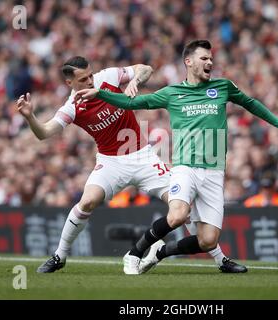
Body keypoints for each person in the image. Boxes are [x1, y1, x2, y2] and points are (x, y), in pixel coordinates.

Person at [74, 40, 278, 275]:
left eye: (211, 59)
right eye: (204, 58)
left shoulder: (223, 87)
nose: (210, 62)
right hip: (185, 168)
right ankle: (135, 252)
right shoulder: (172, 93)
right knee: (177, 215)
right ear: (189, 61)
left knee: (207, 240)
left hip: (215, 171)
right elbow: (132, 102)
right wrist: (100, 93)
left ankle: (160, 252)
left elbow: (250, 103)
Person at [17, 56, 238, 274]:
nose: (90, 81)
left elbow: (146, 68)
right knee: (87, 202)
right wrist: (30, 117)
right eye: (83, 79)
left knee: (181, 205)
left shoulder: (108, 78)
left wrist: (135, 81)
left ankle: (220, 259)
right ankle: (59, 256)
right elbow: (44, 133)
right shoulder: (72, 108)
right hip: (111, 161)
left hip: (143, 156)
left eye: (90, 75)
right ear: (70, 83)